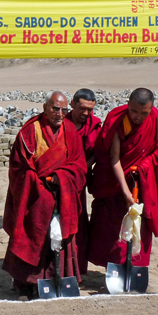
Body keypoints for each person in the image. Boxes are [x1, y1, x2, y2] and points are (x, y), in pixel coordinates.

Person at [2, 91, 87, 300]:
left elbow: (79, 165)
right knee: (30, 235)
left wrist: (61, 177)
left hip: (61, 194)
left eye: (63, 110)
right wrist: (40, 187)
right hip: (34, 196)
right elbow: (19, 168)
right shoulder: (30, 131)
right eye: (55, 108)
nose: (59, 114)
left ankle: (58, 279)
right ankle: (25, 284)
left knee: (60, 238)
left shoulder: (70, 131)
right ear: (45, 107)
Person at [88, 88, 158, 272]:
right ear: (128, 105)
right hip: (115, 183)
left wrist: (143, 167)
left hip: (141, 184)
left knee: (139, 228)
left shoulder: (156, 121)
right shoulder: (117, 120)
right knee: (113, 229)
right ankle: (114, 270)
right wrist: (126, 192)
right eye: (134, 111)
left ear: (151, 109)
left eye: (144, 113)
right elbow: (114, 159)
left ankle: (137, 269)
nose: (138, 117)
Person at [66, 88, 102, 275]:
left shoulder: (94, 125)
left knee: (79, 224)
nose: (86, 114)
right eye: (82, 108)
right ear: (72, 104)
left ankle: (76, 269)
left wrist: (85, 166)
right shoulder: (60, 123)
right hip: (60, 181)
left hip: (79, 181)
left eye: (90, 109)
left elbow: (99, 149)